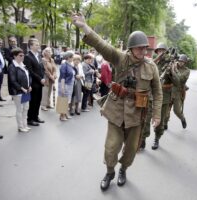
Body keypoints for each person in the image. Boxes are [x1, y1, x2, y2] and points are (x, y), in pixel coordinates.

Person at [72, 13, 162, 191]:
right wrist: (84, 26)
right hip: (116, 110)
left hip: (137, 113)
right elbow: (101, 45)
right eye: (139, 49)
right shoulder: (120, 58)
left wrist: (157, 114)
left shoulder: (151, 66)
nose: (143, 52)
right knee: (111, 147)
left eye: (145, 48)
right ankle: (110, 171)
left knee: (130, 151)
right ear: (131, 49)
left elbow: (157, 92)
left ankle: (123, 169)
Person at [8, 48, 32, 132]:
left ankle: (25, 125)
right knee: (20, 109)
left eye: (23, 55)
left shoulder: (23, 65)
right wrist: (21, 88)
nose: (22, 57)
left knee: (26, 108)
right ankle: (20, 127)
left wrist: (29, 86)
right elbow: (13, 81)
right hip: (18, 92)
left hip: (26, 91)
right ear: (14, 56)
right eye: (20, 55)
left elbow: (28, 76)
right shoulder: (12, 67)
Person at [24, 38, 45, 126]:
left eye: (38, 44)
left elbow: (41, 68)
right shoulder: (28, 56)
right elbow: (30, 71)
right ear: (31, 46)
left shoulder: (38, 55)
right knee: (32, 101)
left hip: (40, 82)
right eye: (36, 45)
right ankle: (30, 119)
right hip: (34, 83)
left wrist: (43, 77)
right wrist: (40, 79)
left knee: (38, 100)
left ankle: (36, 116)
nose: (38, 46)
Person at [58, 51, 75, 121]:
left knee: (67, 100)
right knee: (63, 100)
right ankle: (62, 116)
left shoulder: (70, 64)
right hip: (65, 84)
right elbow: (62, 77)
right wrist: (62, 87)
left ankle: (65, 113)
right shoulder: (64, 65)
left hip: (70, 84)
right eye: (72, 57)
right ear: (68, 58)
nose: (73, 58)